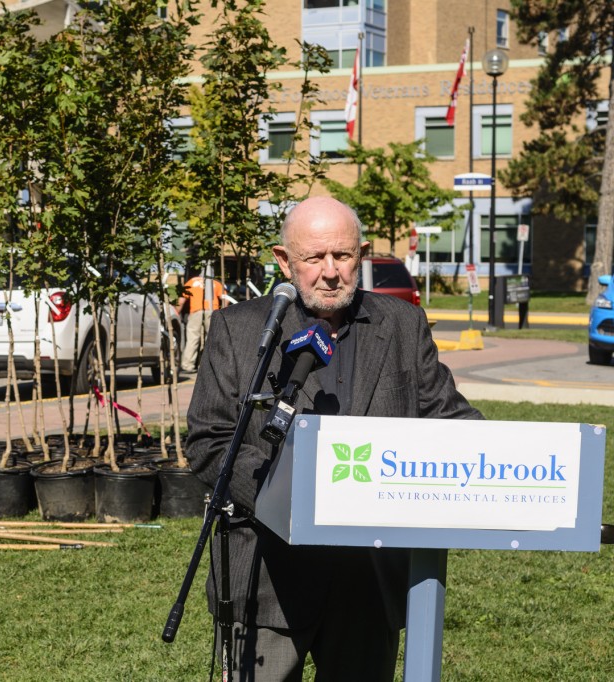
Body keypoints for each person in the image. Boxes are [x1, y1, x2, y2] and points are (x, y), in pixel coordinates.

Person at [185, 196, 482, 681]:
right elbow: (210, 440)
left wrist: (512, 459)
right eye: (313, 258)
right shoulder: (239, 331)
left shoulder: (402, 325)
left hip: (368, 582)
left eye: (342, 256)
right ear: (284, 260)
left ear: (361, 255)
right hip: (267, 578)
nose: (329, 272)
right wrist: (283, 500)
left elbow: (446, 415)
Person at [178, 268, 225, 374]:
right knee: (212, 339)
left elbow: (181, 301)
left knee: (193, 338)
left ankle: (188, 365)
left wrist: (177, 313)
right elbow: (224, 299)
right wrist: (223, 314)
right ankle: (211, 365)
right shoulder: (216, 283)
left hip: (196, 312)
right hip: (213, 311)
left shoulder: (192, 282)